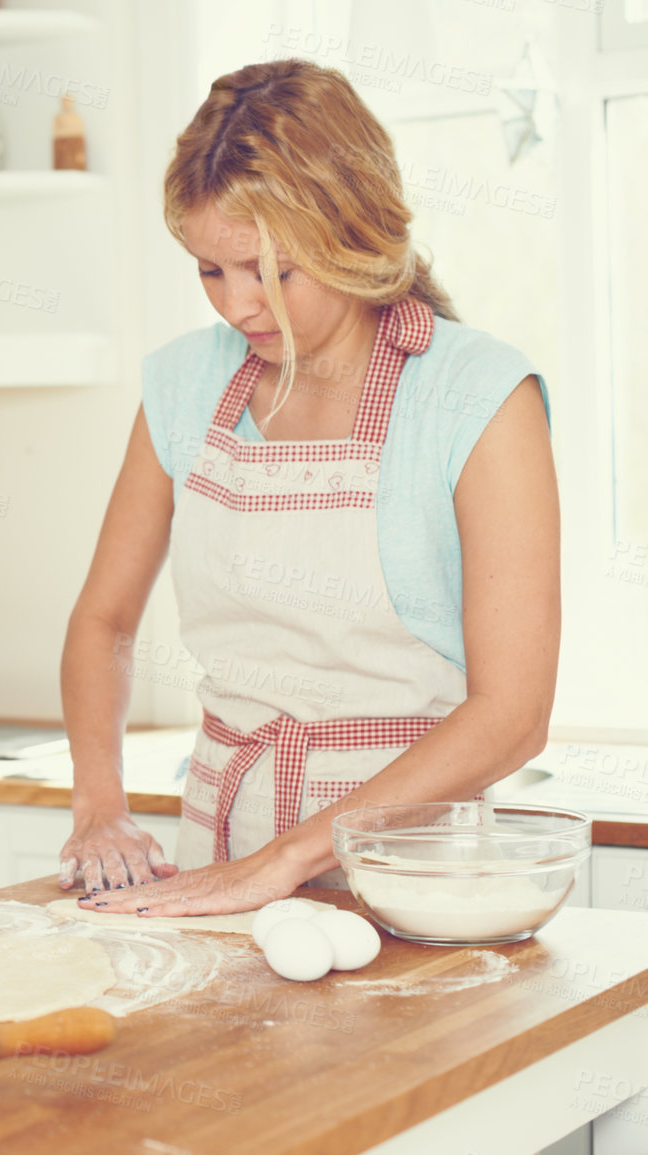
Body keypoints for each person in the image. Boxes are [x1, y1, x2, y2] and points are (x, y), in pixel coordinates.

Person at [56, 59, 559, 917]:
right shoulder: (182, 386)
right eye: (209, 271)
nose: (236, 306)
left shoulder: (474, 395)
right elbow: (102, 621)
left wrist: (279, 862)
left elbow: (511, 713)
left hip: (412, 867)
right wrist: (98, 800)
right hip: (217, 840)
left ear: (351, 233)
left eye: (270, 272)